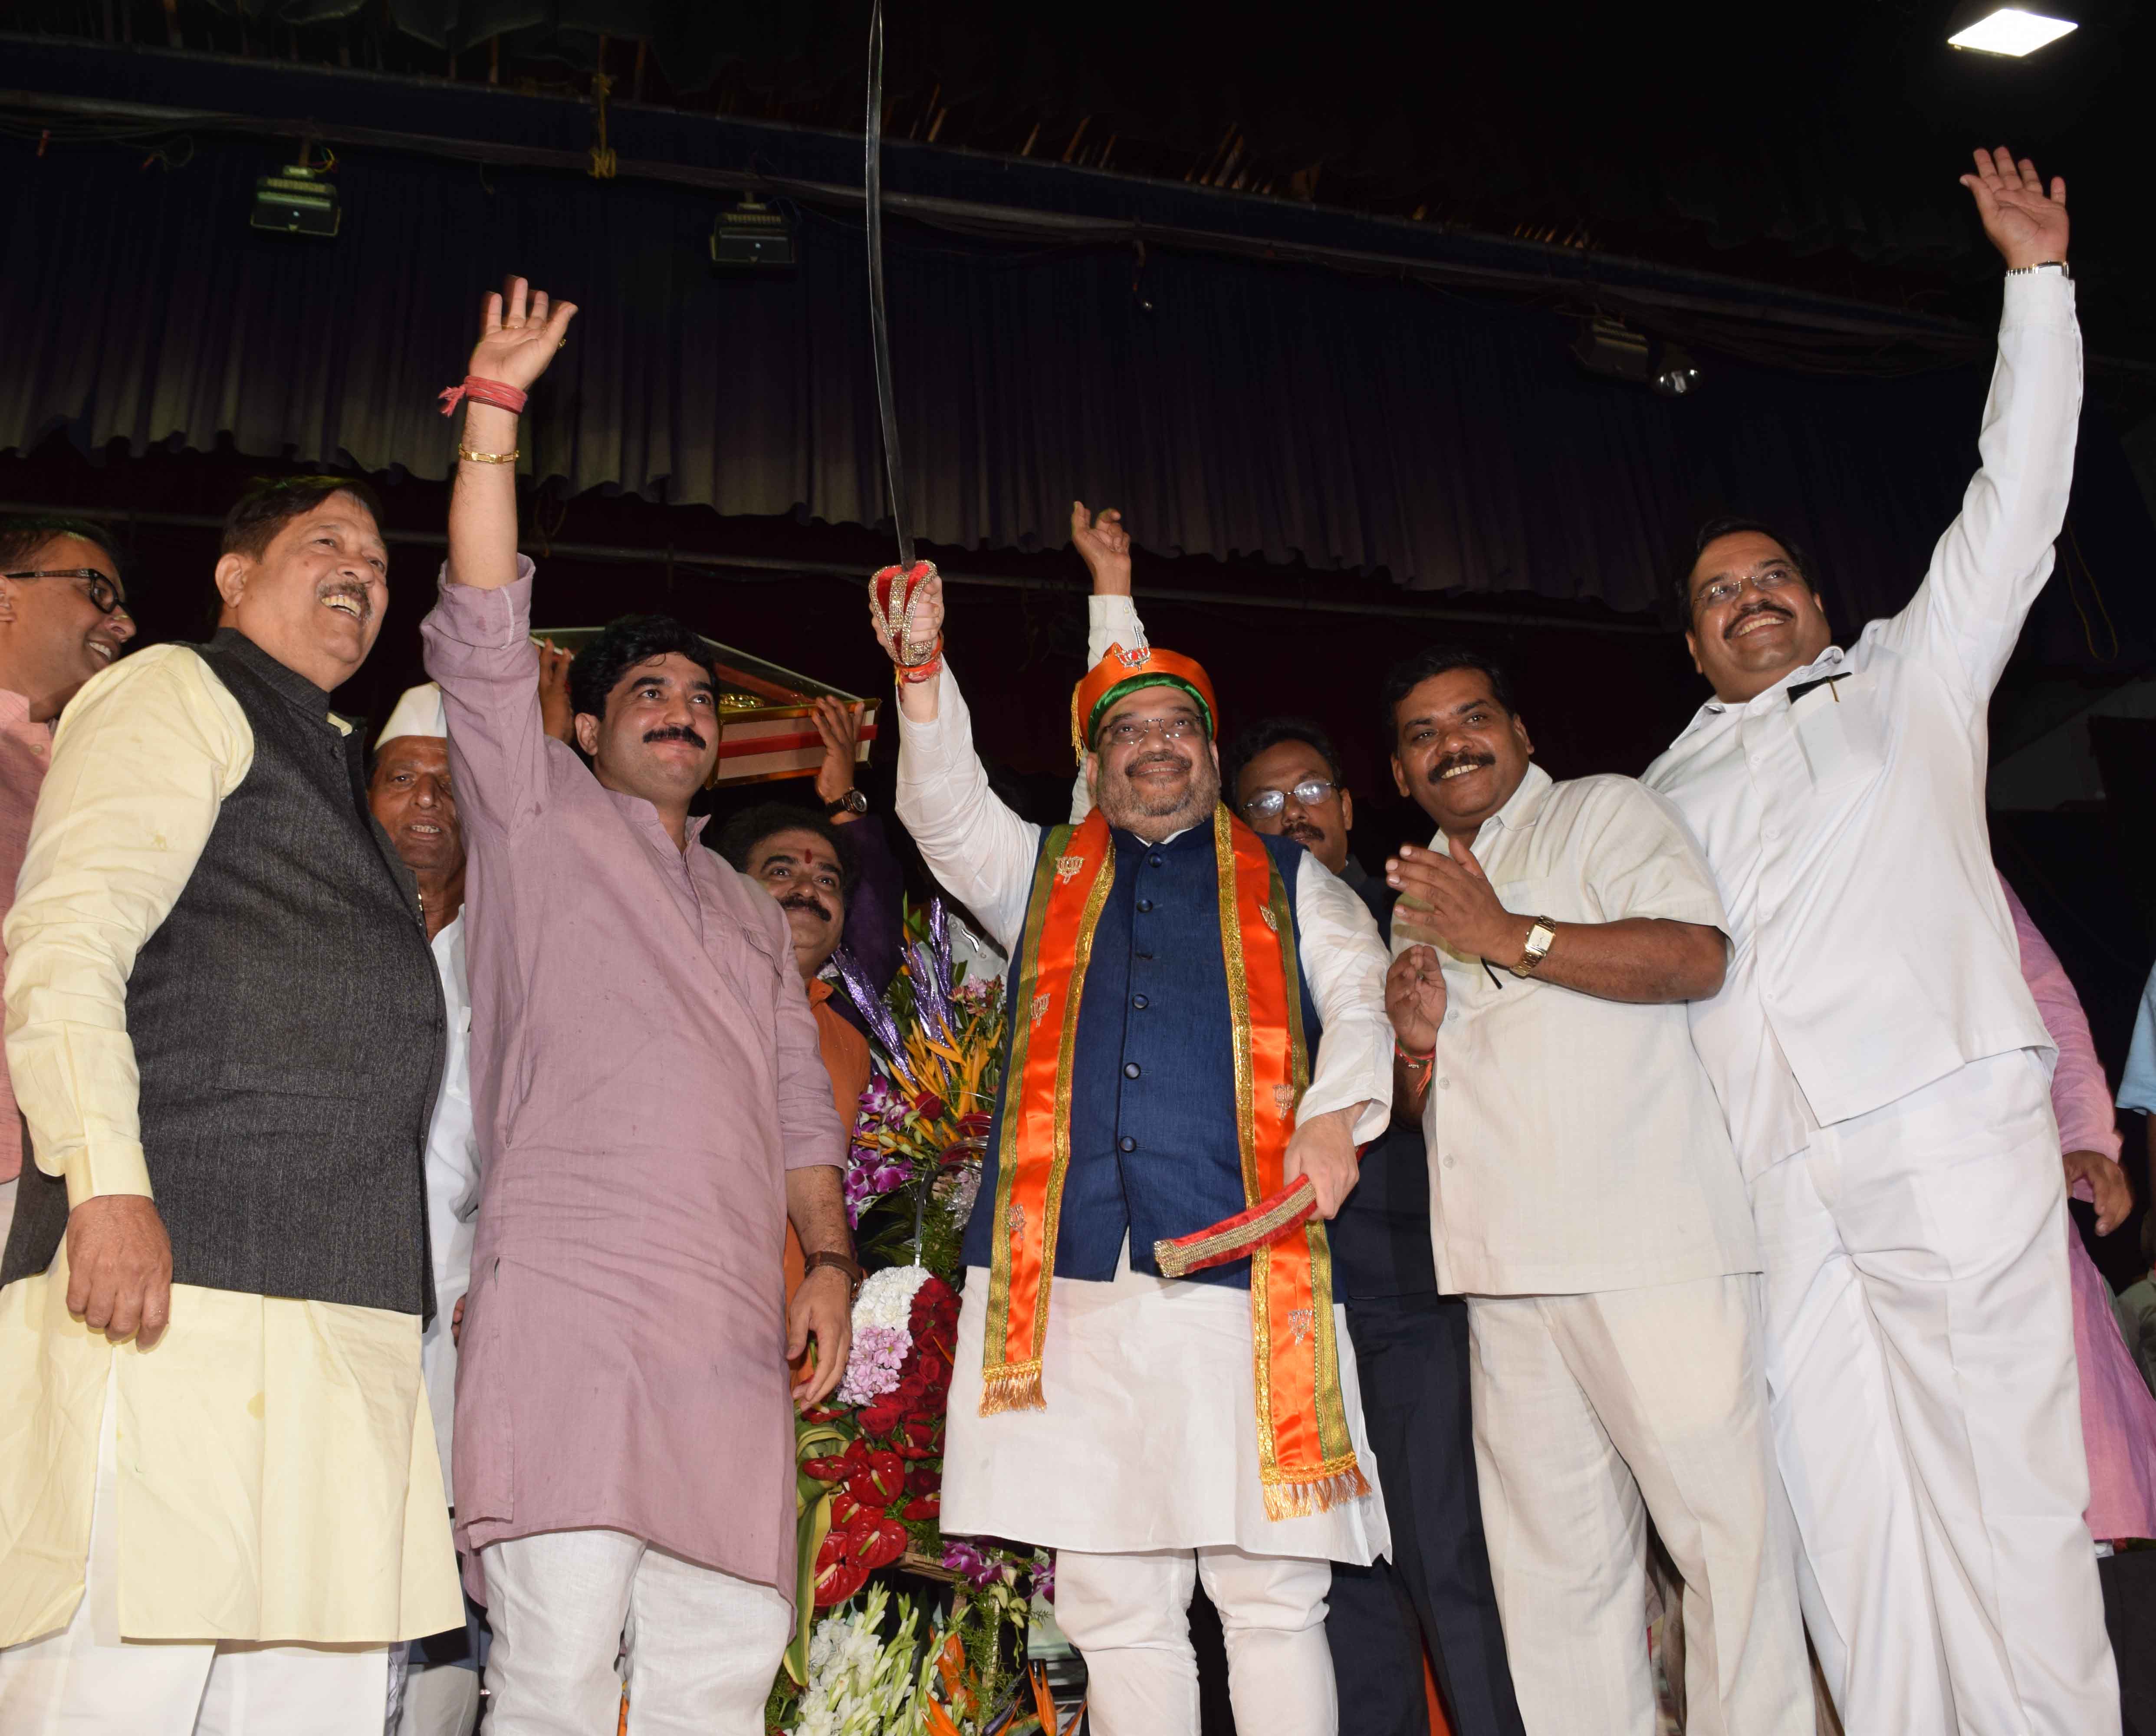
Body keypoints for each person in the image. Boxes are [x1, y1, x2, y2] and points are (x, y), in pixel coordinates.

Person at [1641, 148, 2116, 1734]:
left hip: (1935, 1122)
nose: (1750, 599)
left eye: (1771, 576)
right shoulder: (1655, 788)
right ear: (1693, 641)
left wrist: (2034, 288)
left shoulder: (1906, 684)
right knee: (1841, 1524)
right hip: (1771, 1177)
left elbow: (2014, 500)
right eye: (1719, 595)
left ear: (1814, 598)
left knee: (1999, 1499)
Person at [421, 279, 852, 1736]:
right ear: (588, 726)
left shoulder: (746, 906)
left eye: (700, 698)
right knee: (549, 1678)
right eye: (646, 691)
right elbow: (483, 631)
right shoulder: (534, 817)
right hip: (570, 1306)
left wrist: (830, 1264)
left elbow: (800, 1100)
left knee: (719, 1685)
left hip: (730, 1334)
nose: (679, 708)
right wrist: (493, 413)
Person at [884, 521, 1394, 1736]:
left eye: (1176, 731)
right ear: (1095, 766)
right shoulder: (1043, 873)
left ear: (1212, 756)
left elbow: (1361, 995)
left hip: (1244, 1266)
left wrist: (1337, 1120)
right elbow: (944, 805)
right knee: (1116, 1597)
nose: (1153, 749)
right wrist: (919, 666)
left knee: (1268, 1592)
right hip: (1071, 1285)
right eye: (1126, 732)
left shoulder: (1289, 879)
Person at [0, 475, 460, 1733]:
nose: (364, 567)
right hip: (176, 1279)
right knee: (116, 1683)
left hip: (338, 1304)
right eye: (327, 543)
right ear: (233, 575)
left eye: (377, 556)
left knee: (307, 1698)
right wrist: (105, 1187)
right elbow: (65, 944)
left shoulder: (327, 756)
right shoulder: (174, 689)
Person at [1378, 644, 1809, 1736]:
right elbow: (1434, 1104)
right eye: (1424, 734)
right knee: (1555, 1589)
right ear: (1398, 771)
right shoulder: (1419, 889)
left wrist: (1506, 935)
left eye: (1474, 717)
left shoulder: (1606, 813)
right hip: (1503, 1274)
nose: (1453, 743)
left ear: (1522, 734)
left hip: (1647, 1248)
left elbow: (1694, 957)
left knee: (1728, 1548)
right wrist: (1416, 1048)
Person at [1225, 717, 1525, 1736]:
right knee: (1336, 1574)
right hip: (1280, 1298)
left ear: (1353, 807)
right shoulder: (1220, 942)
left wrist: (1414, 1051)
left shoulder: (1417, 918)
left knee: (1449, 1552)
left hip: (1406, 1279)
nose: (1291, 812)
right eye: (1262, 803)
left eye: (1311, 789)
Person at [367, 683, 486, 1736]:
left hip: (465, 1320)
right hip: (329, 1301)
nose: (427, 802)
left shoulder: (513, 954)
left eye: (451, 783)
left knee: (441, 1592)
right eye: (400, 777)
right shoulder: (318, 931)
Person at [0, 515, 136, 1258]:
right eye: (96, 590)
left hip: (61, 1169)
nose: (123, 620)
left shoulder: (91, 768)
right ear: (5, 598)